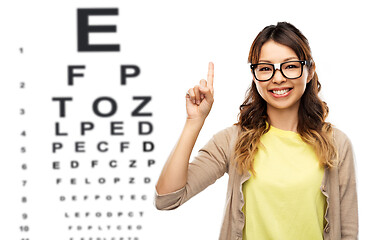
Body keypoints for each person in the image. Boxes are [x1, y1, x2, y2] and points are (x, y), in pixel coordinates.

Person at [154, 22, 358, 240]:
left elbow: (348, 231)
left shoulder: (336, 143)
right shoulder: (232, 141)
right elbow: (167, 198)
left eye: (290, 66)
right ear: (254, 75)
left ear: (309, 72)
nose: (278, 78)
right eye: (265, 68)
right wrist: (194, 121)